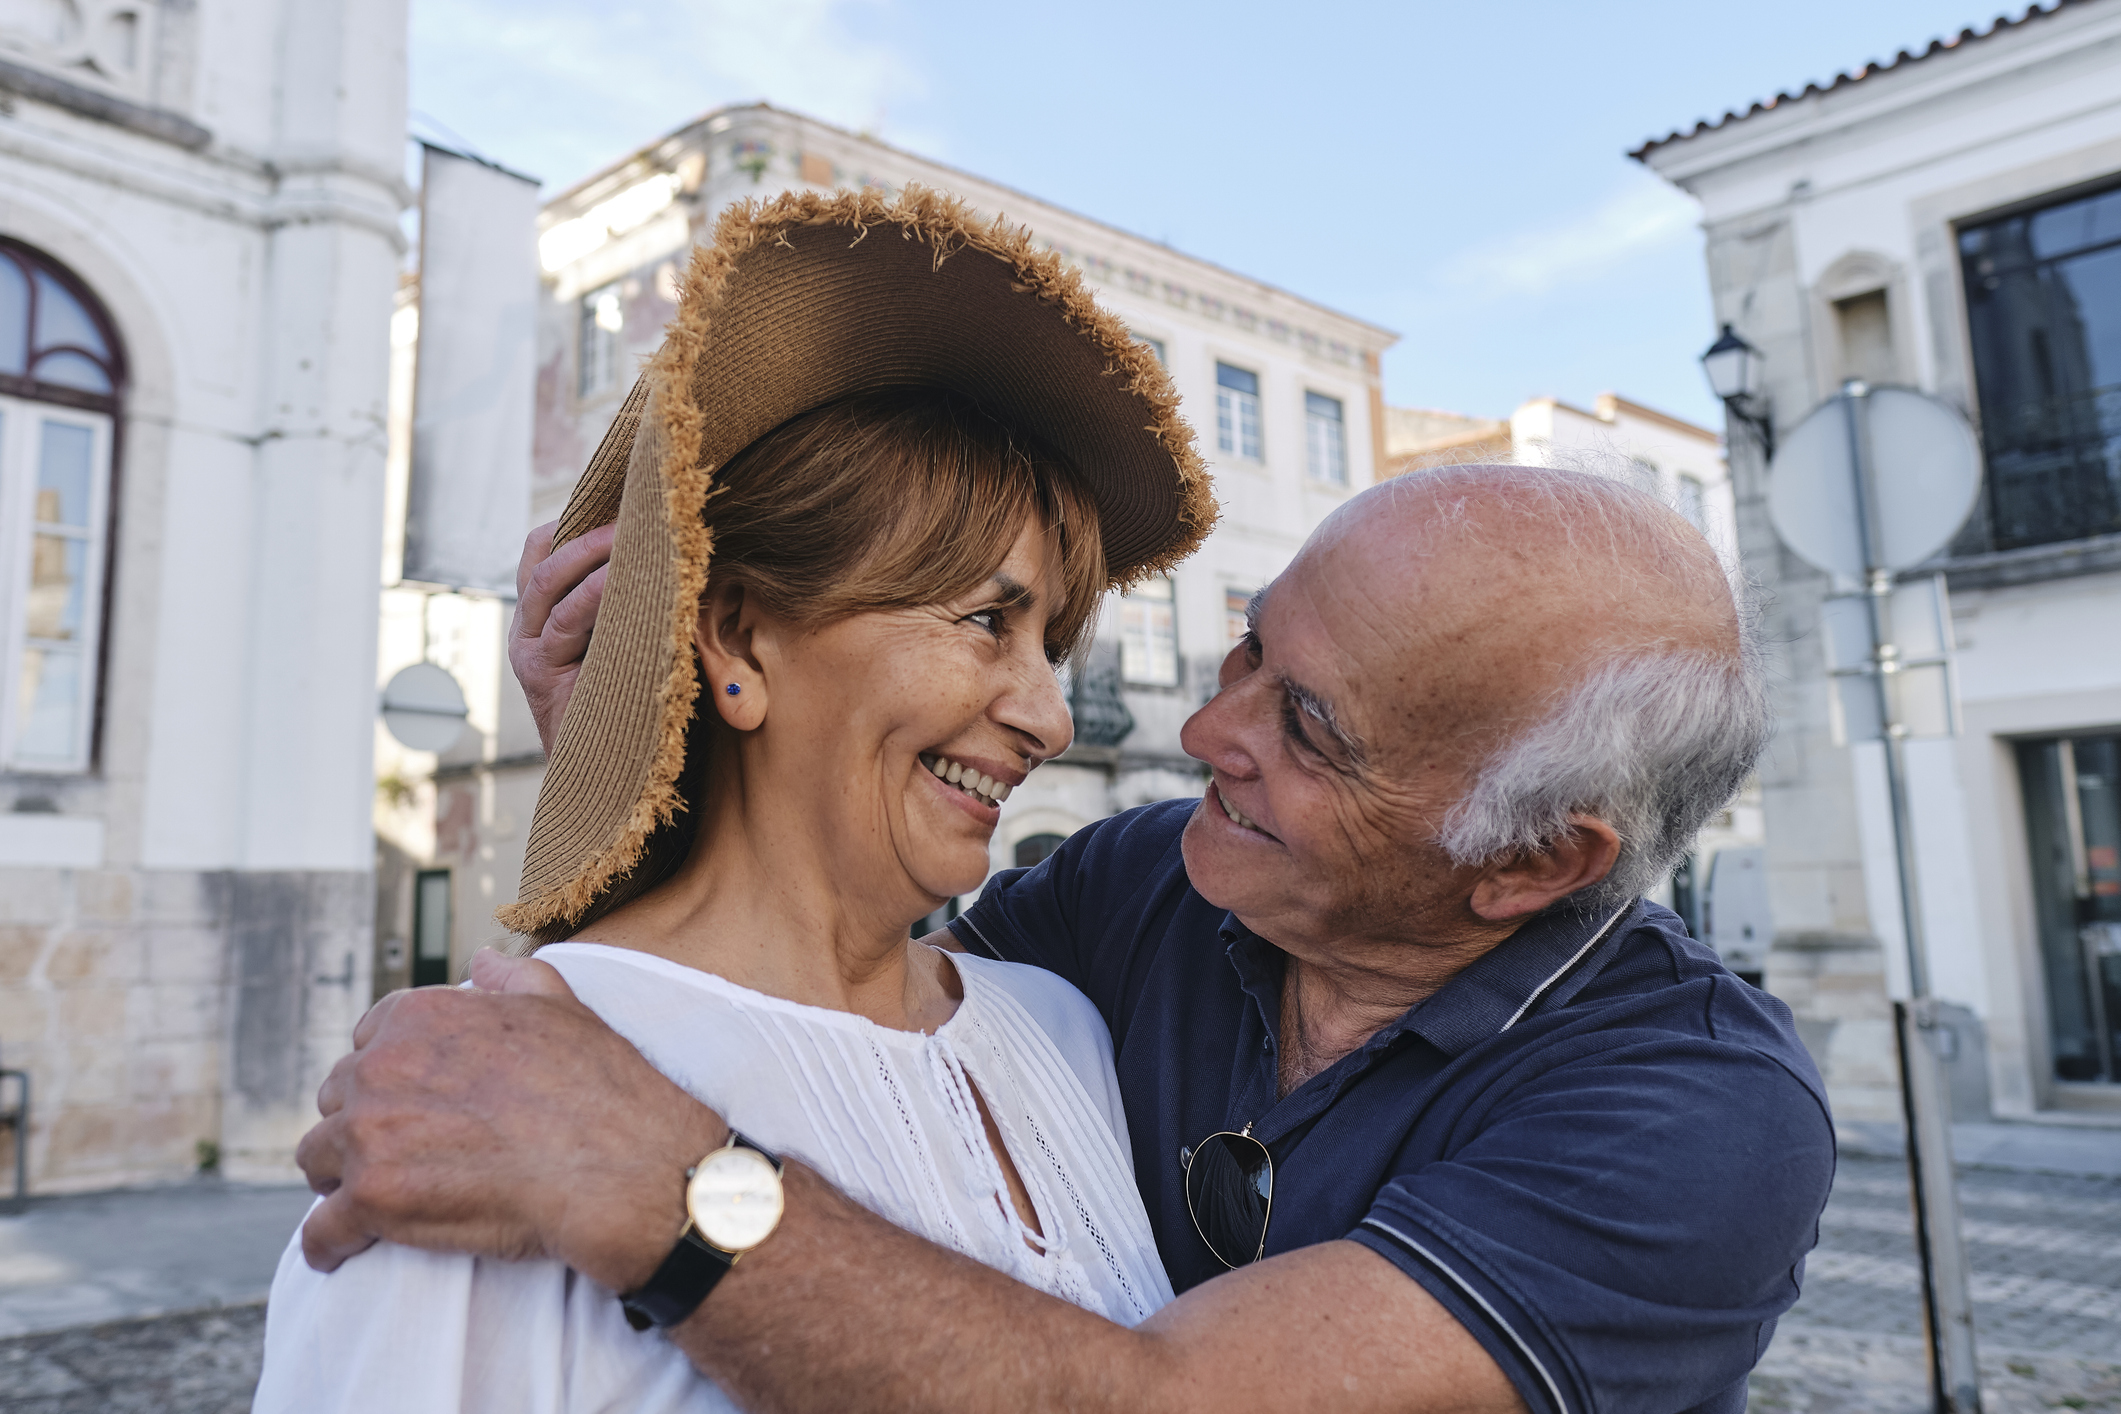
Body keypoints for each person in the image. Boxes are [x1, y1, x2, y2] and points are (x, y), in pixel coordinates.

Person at [298, 441, 1839, 1408]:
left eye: (1302, 723)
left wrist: (657, 1179)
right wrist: (664, 778)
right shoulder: (1145, 889)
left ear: (1525, 864)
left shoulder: (1697, 1116)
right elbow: (823, 1001)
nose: (1197, 729)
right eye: (1244, 649)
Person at [256, 186, 1217, 1411]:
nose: (1050, 716)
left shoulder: (1061, 1031)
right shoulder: (474, 1108)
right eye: (986, 620)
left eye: (1050, 644)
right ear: (741, 640)